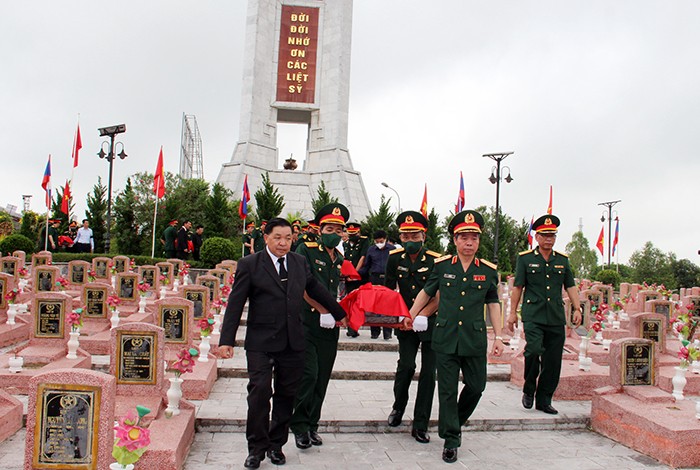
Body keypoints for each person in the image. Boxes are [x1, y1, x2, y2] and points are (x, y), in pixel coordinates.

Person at [218, 218, 347, 469]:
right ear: (266, 237)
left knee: (287, 395)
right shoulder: (250, 264)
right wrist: (227, 340)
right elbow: (235, 304)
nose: (283, 243)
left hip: (293, 341)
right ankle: (256, 448)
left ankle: (276, 445)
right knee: (259, 393)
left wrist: (339, 312)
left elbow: (316, 289)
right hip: (261, 342)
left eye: (288, 238)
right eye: (278, 237)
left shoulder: (299, 262)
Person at [408, 210, 504, 463]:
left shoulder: (488, 271)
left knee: (477, 386)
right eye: (464, 237)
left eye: (474, 238)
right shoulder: (441, 266)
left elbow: (494, 304)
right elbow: (426, 293)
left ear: (479, 241)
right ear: (455, 240)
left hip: (473, 339)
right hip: (445, 338)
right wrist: (411, 314)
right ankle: (451, 440)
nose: (469, 242)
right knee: (447, 391)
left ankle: (454, 421)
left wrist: (499, 337)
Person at [507, 214, 581, 415]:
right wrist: (512, 313)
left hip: (555, 316)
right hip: (533, 315)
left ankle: (544, 399)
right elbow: (518, 287)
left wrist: (577, 308)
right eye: (544, 235)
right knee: (533, 350)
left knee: (553, 360)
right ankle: (529, 388)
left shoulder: (562, 260)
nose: (549, 239)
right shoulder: (525, 259)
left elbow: (571, 286)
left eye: (552, 235)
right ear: (537, 237)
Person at [290, 203, 348, 451]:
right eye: (329, 228)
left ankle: (313, 424)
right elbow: (303, 286)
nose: (334, 232)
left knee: (323, 376)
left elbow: (335, 290)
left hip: (329, 325)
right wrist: (324, 310)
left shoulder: (340, 258)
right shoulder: (306, 249)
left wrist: (338, 311)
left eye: (338, 229)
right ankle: (299, 425)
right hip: (307, 321)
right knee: (309, 375)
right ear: (319, 229)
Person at [384, 211, 441, 443]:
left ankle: (421, 423)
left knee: (428, 373)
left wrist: (424, 314)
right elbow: (388, 292)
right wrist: (397, 317)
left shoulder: (437, 259)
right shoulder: (395, 258)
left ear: (423, 235)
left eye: (414, 235)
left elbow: (440, 294)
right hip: (405, 323)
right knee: (406, 366)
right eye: (405, 236)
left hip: (431, 321)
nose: (409, 240)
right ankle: (398, 407)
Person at [359, 229, 395, 339]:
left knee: (388, 305)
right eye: (377, 241)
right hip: (374, 278)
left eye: (381, 241)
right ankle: (374, 331)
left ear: (385, 239)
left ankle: (387, 332)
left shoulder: (392, 250)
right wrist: (355, 274)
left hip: (388, 279)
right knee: (374, 305)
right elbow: (366, 266)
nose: (379, 243)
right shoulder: (371, 250)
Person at [343, 222, 369, 337]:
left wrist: (355, 273)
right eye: (350, 233)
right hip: (349, 278)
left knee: (358, 303)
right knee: (350, 301)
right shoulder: (346, 244)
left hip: (360, 278)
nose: (352, 235)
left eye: (354, 233)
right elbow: (345, 259)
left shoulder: (364, 241)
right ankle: (350, 327)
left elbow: (362, 257)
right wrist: (347, 274)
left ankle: (355, 326)